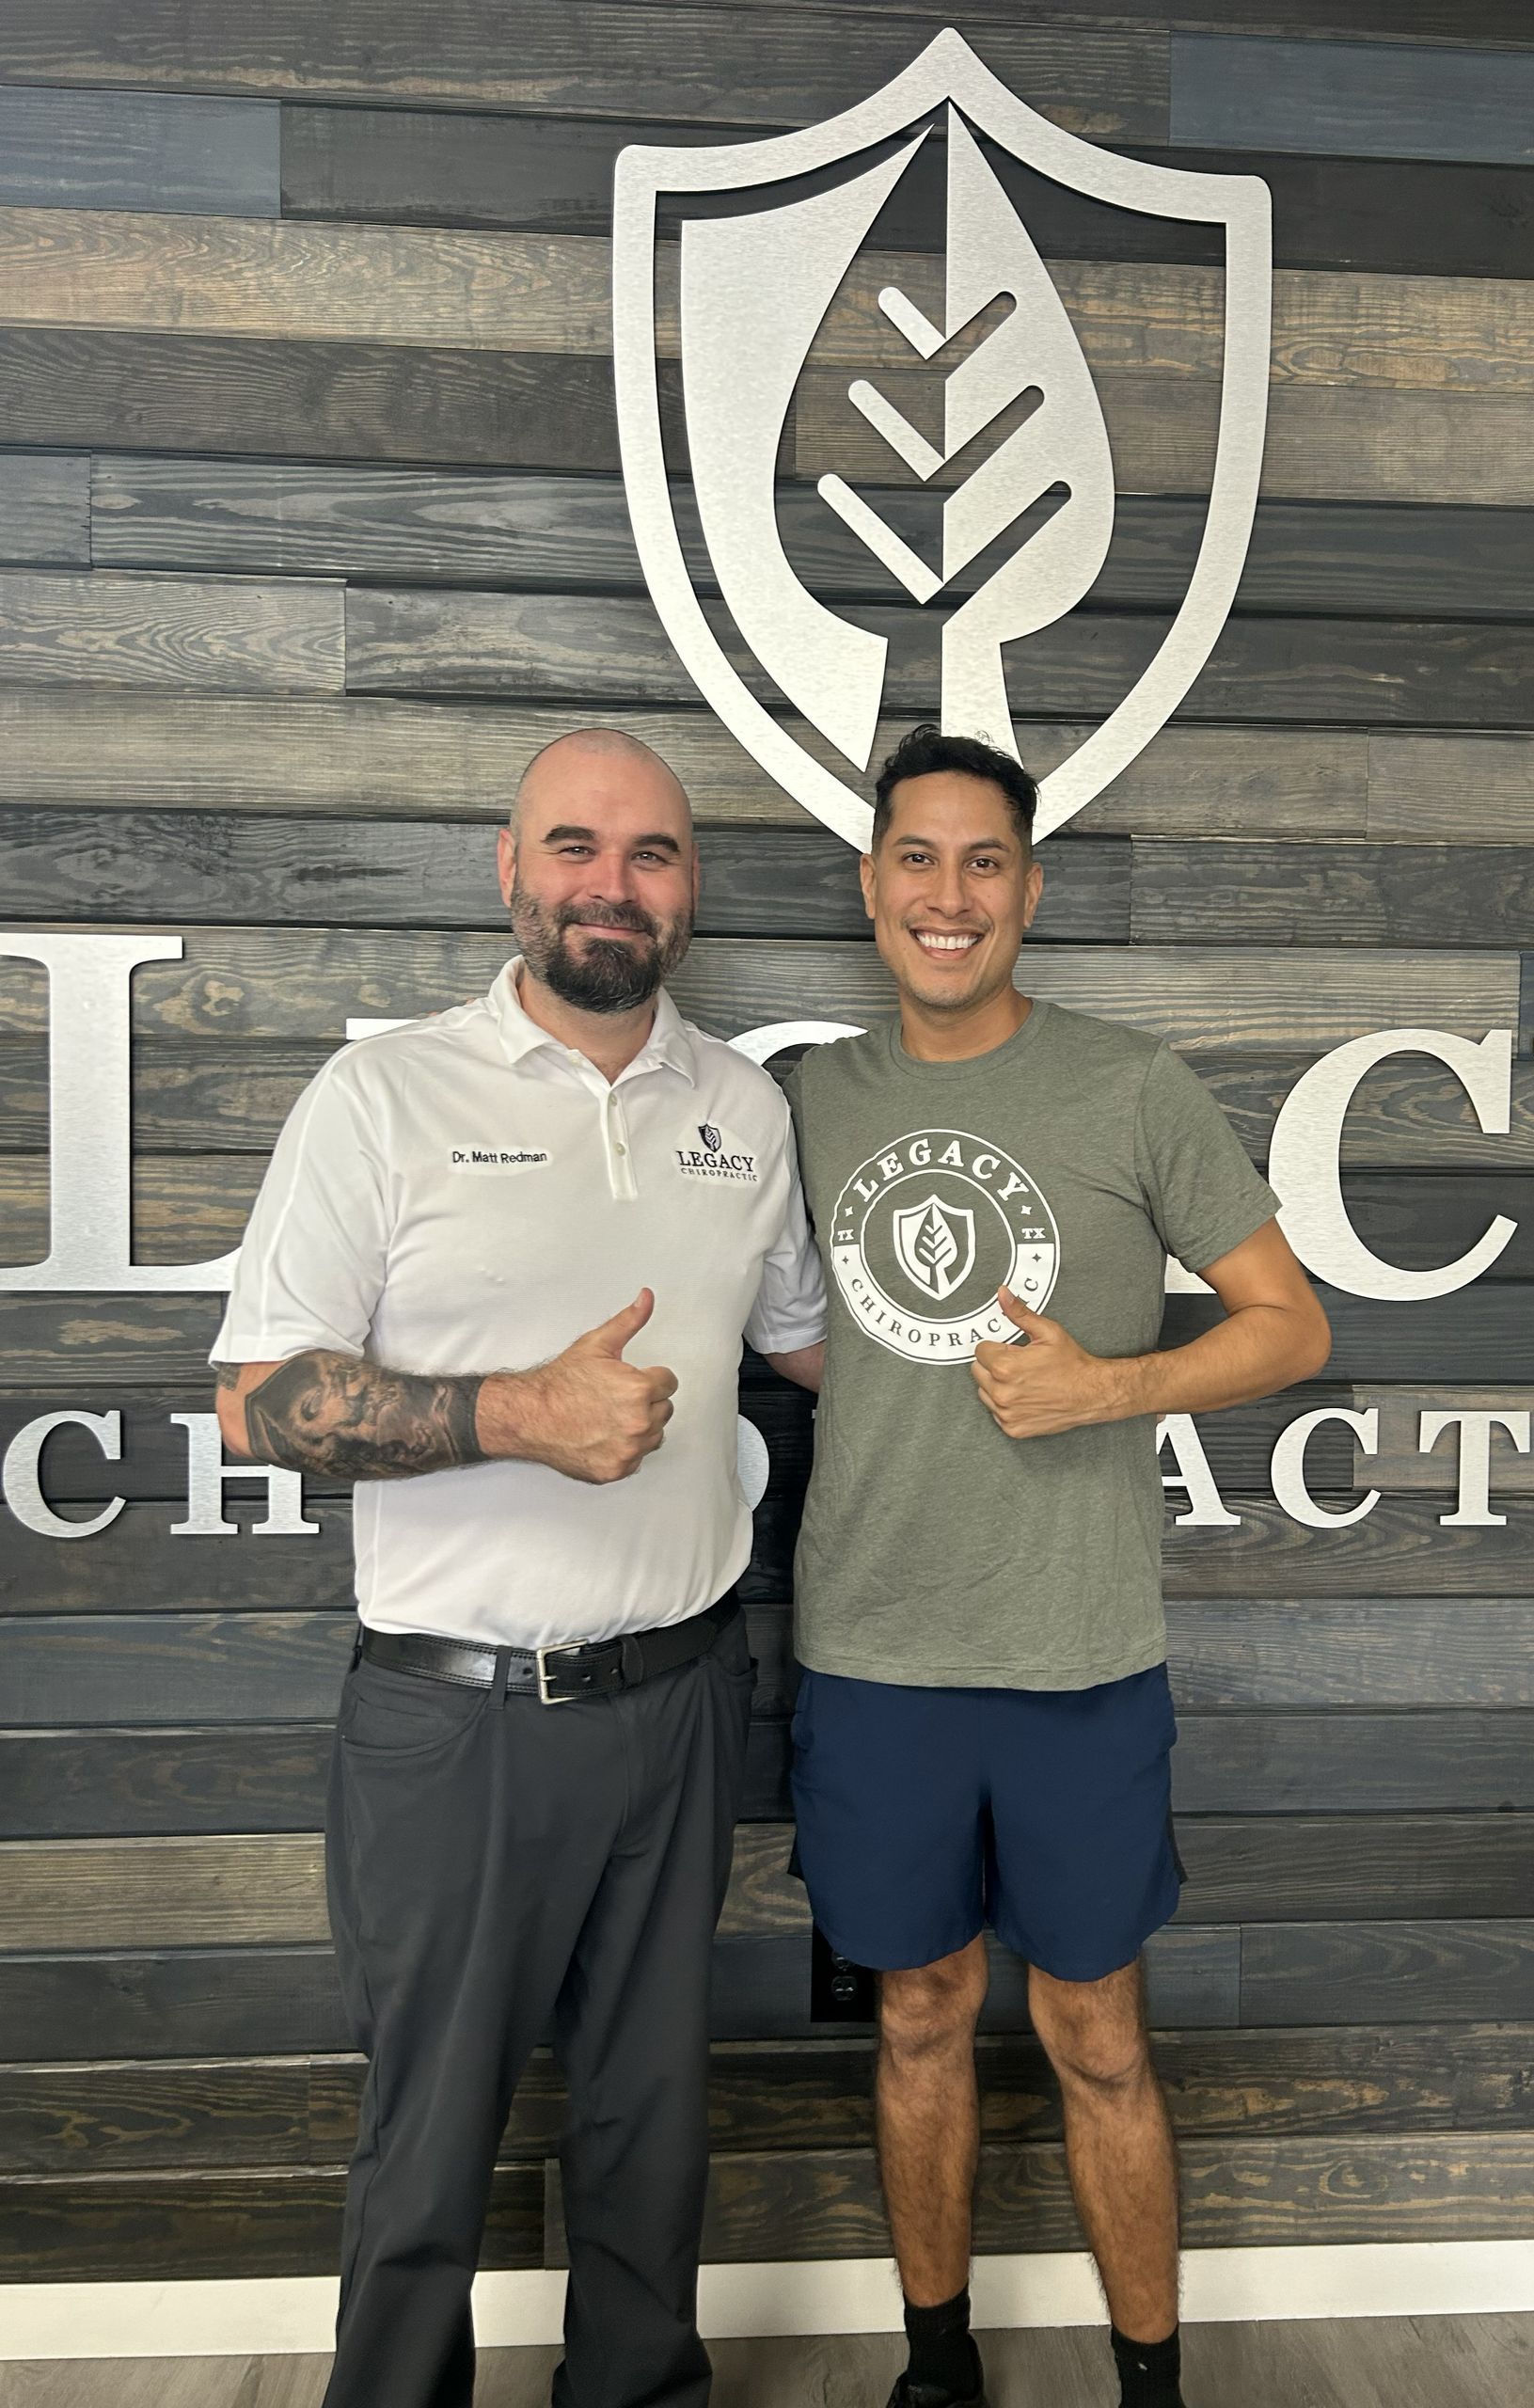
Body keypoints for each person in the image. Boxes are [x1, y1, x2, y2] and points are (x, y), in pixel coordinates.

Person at [211, 728, 826, 2408]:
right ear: (509, 870)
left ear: (691, 889)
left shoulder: (743, 1109)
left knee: (651, 2133)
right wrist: (514, 1412)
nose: (609, 886)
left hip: (686, 1696)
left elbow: (810, 1343)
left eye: (650, 855)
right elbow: (257, 1398)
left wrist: (1043, 1361)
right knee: (427, 2153)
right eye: (575, 847)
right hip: (457, 1722)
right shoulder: (386, 1095)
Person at [784, 725, 1331, 2408]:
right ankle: (936, 2370)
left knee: (1098, 2033)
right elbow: (820, 1342)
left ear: (1030, 889)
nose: (949, 896)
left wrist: (1111, 1385)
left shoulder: (1129, 1087)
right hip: (872, 1653)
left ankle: (1150, 2386)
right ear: (871, 886)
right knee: (919, 2014)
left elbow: (1293, 1326)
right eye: (918, 860)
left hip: (1079, 1657)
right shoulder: (806, 1102)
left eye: (986, 862)